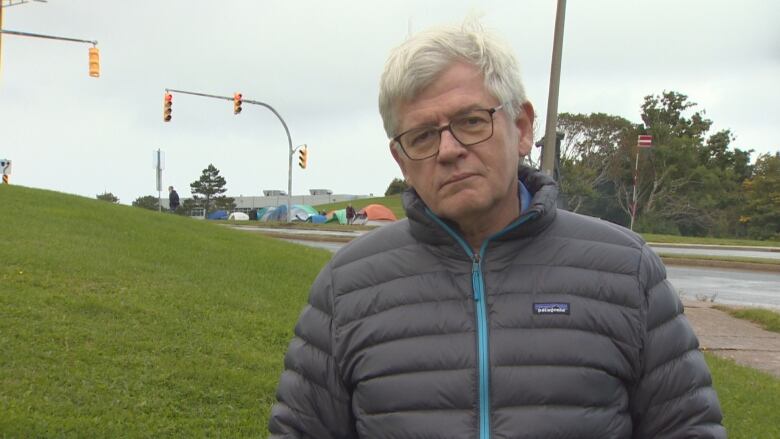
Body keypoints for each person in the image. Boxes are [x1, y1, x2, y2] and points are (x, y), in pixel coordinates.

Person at [269, 20, 725, 439]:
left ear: (522, 127)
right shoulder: (348, 287)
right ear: (401, 160)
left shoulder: (627, 271)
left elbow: (688, 427)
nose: (449, 150)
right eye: (423, 136)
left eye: (470, 121)